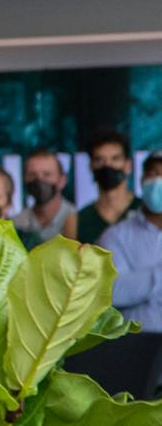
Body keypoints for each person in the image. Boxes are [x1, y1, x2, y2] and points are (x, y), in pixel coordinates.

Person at [103, 154, 162, 333]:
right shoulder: (115, 236)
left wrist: (141, 283)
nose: (159, 180)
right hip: (134, 348)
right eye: (153, 173)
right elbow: (112, 292)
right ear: (142, 179)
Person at [78, 129, 139, 247]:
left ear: (128, 165)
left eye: (115, 159)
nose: (107, 165)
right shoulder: (78, 220)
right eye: (99, 160)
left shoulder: (147, 213)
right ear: (91, 166)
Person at [14, 150, 77, 246]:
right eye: (32, 175)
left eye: (47, 174)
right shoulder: (17, 224)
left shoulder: (79, 220)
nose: (39, 179)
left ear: (62, 180)